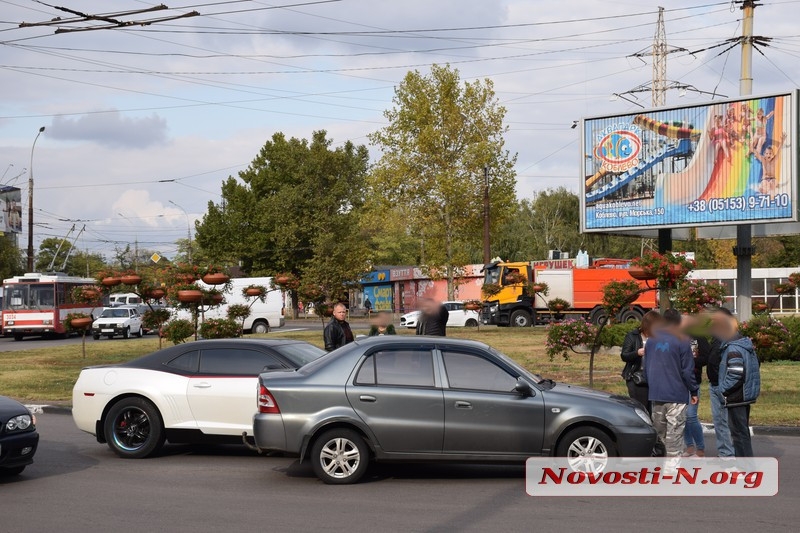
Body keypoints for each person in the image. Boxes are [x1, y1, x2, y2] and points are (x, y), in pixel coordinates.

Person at [644, 308, 699, 468]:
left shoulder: (652, 340)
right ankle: (671, 470)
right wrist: (693, 390)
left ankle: (658, 466)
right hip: (676, 394)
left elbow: (646, 366)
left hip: (656, 393)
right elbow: (687, 371)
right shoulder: (682, 340)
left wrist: (652, 384)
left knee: (659, 433)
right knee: (675, 434)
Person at [712, 307, 761, 458]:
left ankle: (746, 470)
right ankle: (745, 468)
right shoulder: (742, 343)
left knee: (739, 435)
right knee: (741, 433)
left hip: (736, 397)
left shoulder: (733, 347)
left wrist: (722, 390)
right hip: (742, 396)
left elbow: (735, 373)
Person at [681, 314, 711, 457]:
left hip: (693, 380)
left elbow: (707, 357)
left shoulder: (699, 338)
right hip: (678, 382)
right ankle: (689, 446)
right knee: (682, 415)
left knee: (691, 415)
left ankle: (700, 447)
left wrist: (691, 362)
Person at [620, 310, 661, 413]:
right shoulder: (633, 336)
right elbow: (624, 356)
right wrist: (637, 353)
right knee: (641, 408)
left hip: (653, 377)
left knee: (653, 410)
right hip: (636, 377)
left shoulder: (658, 337)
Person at [752, 132, 787, 197]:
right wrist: (751, 147)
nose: (768, 155)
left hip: (773, 179)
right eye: (767, 153)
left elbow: (779, 150)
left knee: (772, 184)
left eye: (770, 153)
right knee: (766, 184)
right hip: (764, 179)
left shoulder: (774, 160)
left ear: (773, 155)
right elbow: (756, 153)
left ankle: (771, 195)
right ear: (764, 155)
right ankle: (763, 190)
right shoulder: (763, 160)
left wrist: (782, 141)